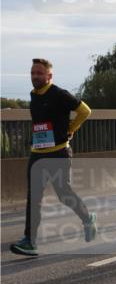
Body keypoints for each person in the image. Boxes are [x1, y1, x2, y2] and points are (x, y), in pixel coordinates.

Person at [10, 58, 97, 257]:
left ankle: (87, 219)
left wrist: (71, 129)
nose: (35, 76)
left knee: (63, 194)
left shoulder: (59, 94)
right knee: (34, 198)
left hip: (58, 153)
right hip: (38, 154)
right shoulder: (34, 95)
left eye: (39, 73)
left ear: (49, 76)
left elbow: (85, 111)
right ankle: (30, 241)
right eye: (33, 73)